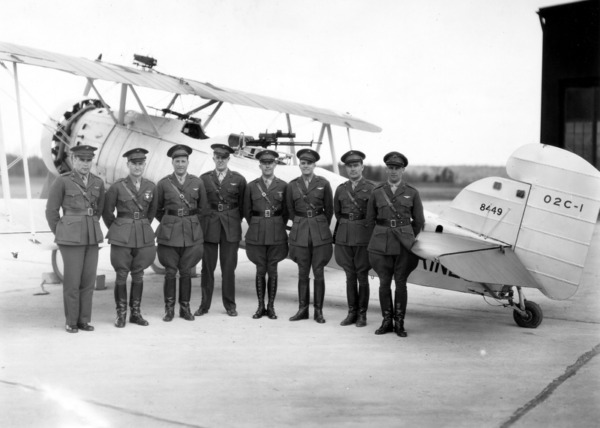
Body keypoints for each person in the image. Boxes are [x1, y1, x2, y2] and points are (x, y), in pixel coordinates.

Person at [45, 145, 105, 333]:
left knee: (88, 281)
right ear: (73, 159)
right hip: (70, 238)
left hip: (91, 236)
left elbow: (99, 210)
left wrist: (91, 227)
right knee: (72, 282)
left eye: (89, 160)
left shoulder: (98, 182)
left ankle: (83, 320)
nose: (85, 164)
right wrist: (61, 232)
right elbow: (51, 211)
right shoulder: (62, 181)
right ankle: (71, 321)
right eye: (81, 160)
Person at [366, 151, 424, 337]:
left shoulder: (412, 193)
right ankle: (386, 321)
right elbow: (370, 220)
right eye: (390, 168)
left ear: (403, 170)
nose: (393, 171)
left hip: (403, 245)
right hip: (381, 243)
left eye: (397, 168)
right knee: (384, 283)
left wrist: (407, 236)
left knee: (400, 283)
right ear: (386, 169)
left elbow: (419, 221)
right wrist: (379, 236)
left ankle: (399, 322)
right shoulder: (377, 192)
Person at [102, 148, 157, 328]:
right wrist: (119, 228)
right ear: (128, 165)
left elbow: (151, 213)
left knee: (139, 274)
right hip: (122, 236)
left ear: (144, 165)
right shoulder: (117, 187)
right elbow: (107, 213)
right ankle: (121, 314)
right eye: (134, 163)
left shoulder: (151, 187)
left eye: (140, 163)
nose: (137, 167)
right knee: (121, 274)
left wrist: (139, 225)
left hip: (142, 234)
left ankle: (135, 313)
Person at [155, 144, 207, 322]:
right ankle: (169, 309)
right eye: (177, 161)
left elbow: (203, 208)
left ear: (188, 162)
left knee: (185, 272)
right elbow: (157, 209)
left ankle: (185, 308)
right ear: (172, 163)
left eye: (183, 161)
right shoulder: (164, 183)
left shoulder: (197, 182)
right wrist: (171, 220)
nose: (180, 165)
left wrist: (190, 221)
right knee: (170, 272)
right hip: (169, 234)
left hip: (191, 233)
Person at [196, 144, 246, 317]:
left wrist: (232, 219)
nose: (221, 161)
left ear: (228, 159)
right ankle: (204, 305)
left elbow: (243, 206)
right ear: (214, 159)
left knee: (228, 268)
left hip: (230, 227)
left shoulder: (238, 179)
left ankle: (230, 305)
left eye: (224, 158)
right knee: (207, 268)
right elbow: (200, 205)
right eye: (218, 157)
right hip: (210, 226)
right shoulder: (204, 179)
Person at [287, 148, 333, 324]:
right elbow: (290, 209)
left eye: (309, 163)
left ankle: (318, 312)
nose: (305, 166)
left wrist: (318, 224)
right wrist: (301, 223)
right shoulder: (293, 185)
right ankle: (302, 309)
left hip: (319, 232)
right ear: (300, 165)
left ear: (314, 165)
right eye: (303, 163)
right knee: (302, 272)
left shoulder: (323, 183)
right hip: (300, 232)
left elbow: (329, 209)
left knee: (319, 272)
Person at [243, 149, 289, 319]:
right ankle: (260, 306)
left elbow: (286, 212)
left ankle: (271, 307)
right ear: (260, 165)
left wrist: (276, 224)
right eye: (264, 163)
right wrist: (258, 223)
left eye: (271, 163)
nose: (267, 165)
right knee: (260, 269)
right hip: (257, 232)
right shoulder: (251, 186)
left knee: (273, 269)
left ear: (275, 164)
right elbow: (247, 211)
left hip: (276, 232)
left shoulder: (283, 186)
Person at [333, 150, 375, 327]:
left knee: (362, 276)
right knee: (350, 276)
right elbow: (337, 212)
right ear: (346, 169)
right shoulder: (341, 189)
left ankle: (362, 315)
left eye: (356, 165)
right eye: (349, 166)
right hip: (345, 236)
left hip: (363, 237)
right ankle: (352, 313)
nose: (352, 169)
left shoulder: (372, 189)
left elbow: (373, 214)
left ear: (362, 167)